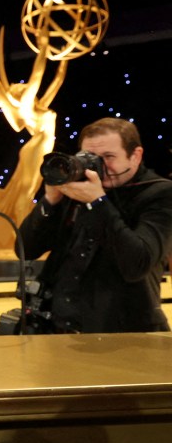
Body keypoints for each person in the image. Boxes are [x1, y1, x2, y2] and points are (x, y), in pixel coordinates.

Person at [18, 117, 172, 334]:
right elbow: (26, 248)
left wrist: (97, 202)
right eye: (89, 157)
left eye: (108, 157)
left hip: (122, 338)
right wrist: (50, 201)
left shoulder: (160, 194)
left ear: (135, 155)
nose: (98, 166)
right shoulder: (77, 189)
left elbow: (137, 263)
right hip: (55, 331)